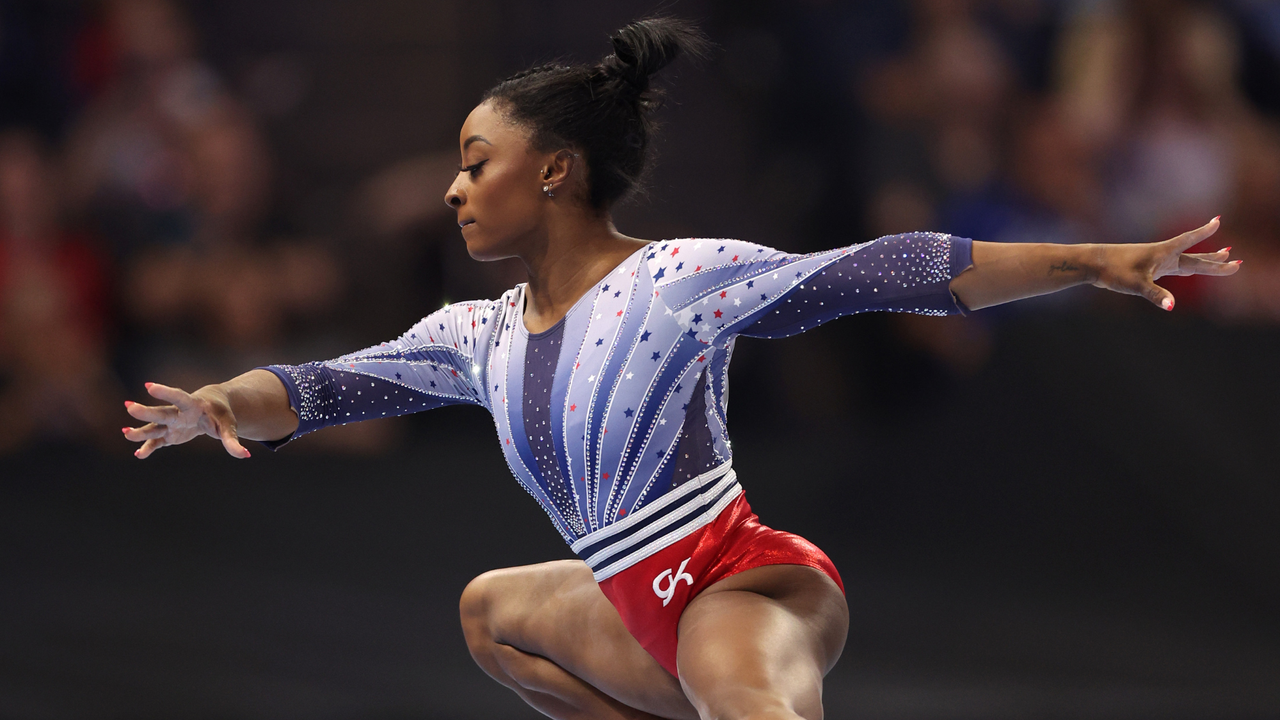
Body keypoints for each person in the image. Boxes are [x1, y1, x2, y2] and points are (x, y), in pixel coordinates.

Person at [122, 18, 1240, 720]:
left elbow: (886, 269)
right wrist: (222, 400)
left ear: (555, 172)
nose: (452, 190)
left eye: (476, 164)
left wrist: (1092, 255)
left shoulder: (676, 278)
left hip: (737, 584)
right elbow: (322, 390)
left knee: (739, 694)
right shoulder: (478, 333)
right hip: (626, 603)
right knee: (489, 612)